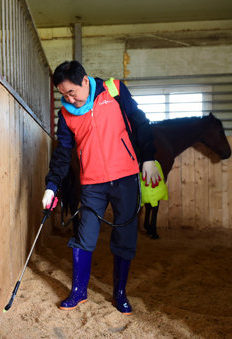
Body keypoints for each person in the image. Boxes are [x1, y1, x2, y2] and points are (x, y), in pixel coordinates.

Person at [42, 60, 160, 315]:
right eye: (63, 95)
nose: (69, 99)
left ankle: (119, 293)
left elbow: (140, 122)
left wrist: (149, 157)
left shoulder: (114, 90)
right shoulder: (66, 115)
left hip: (126, 177)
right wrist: (52, 186)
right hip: (92, 183)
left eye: (72, 92)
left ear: (85, 81)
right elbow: (62, 152)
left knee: (125, 235)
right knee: (84, 235)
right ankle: (78, 291)